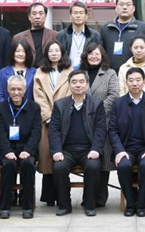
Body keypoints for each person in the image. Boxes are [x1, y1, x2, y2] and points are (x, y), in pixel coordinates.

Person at [49, 70, 107, 216]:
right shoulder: (60, 105)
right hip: (66, 150)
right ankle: (64, 205)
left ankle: (89, 204)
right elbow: (54, 130)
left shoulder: (96, 104)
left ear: (87, 84)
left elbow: (101, 129)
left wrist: (96, 149)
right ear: (69, 85)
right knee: (59, 167)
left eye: (81, 82)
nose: (78, 85)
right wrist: (56, 151)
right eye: (74, 82)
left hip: (88, 149)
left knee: (93, 166)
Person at [109, 67, 145, 217]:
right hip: (126, 149)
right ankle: (130, 202)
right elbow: (112, 130)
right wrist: (119, 151)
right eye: (131, 80)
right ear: (126, 82)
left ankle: (141, 203)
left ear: (144, 82)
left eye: (138, 80)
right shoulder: (118, 103)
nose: (135, 83)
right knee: (123, 165)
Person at [0, 75, 42, 219]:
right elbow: (0, 133)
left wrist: (28, 151)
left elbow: (36, 132)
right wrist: (7, 151)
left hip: (27, 149)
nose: (16, 92)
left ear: (25, 90)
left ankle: (27, 206)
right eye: (13, 89)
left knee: (28, 164)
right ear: (8, 90)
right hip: (8, 149)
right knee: (8, 165)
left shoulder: (34, 107)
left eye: (19, 89)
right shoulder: (0, 108)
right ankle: (4, 206)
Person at [33, 40, 72, 206]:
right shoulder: (40, 72)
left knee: (62, 157)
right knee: (48, 157)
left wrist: (61, 117)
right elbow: (38, 96)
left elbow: (72, 93)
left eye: (57, 50)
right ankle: (49, 196)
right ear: (46, 53)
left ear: (62, 52)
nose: (54, 53)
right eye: (51, 51)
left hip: (66, 121)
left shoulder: (70, 71)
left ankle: (63, 195)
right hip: (46, 122)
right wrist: (48, 116)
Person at [81, 43, 120, 207]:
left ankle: (101, 197)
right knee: (89, 160)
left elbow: (114, 95)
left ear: (102, 55)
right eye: (90, 54)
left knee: (103, 161)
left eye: (97, 54)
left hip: (104, 121)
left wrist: (96, 110)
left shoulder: (110, 73)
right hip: (82, 121)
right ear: (86, 56)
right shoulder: (80, 73)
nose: (94, 56)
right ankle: (88, 196)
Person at [100, 0, 145, 71]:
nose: (124, 7)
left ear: (134, 8)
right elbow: (101, 52)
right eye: (121, 4)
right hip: (110, 73)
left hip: (134, 74)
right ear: (116, 8)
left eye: (128, 4)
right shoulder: (106, 28)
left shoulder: (142, 28)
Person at [56, 1, 102, 68]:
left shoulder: (95, 35)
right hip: (66, 71)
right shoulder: (61, 35)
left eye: (81, 13)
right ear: (70, 16)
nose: (78, 16)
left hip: (88, 71)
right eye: (75, 13)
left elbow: (100, 57)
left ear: (86, 16)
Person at [13, 2, 57, 68]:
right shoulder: (18, 37)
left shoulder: (55, 35)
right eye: (34, 14)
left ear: (45, 16)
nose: (37, 17)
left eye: (41, 13)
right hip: (27, 71)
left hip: (48, 71)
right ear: (29, 17)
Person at [0, 39, 36, 104]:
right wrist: (8, 108)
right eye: (17, 51)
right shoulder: (2, 72)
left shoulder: (35, 72)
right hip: (7, 109)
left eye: (24, 51)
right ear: (12, 53)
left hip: (30, 109)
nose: (21, 54)